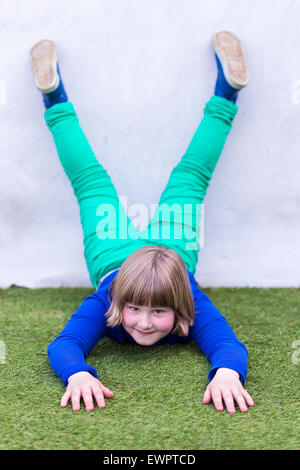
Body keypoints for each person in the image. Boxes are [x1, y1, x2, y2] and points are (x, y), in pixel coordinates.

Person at [30, 31, 254, 414]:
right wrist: (78, 373)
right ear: (118, 300)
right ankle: (54, 96)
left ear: (181, 306)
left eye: (159, 312)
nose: (144, 323)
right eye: (133, 308)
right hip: (159, 249)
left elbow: (226, 344)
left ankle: (227, 92)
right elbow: (64, 345)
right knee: (186, 178)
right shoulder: (107, 300)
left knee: (94, 183)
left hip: (127, 247)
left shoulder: (190, 302)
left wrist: (228, 373)